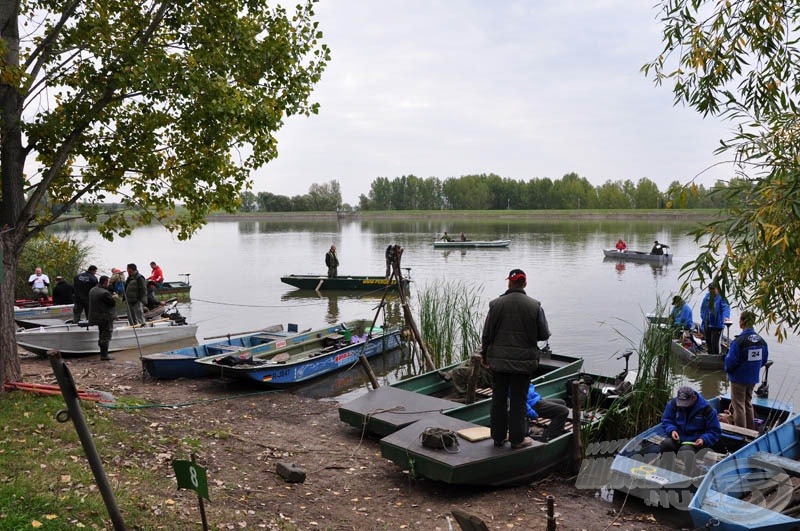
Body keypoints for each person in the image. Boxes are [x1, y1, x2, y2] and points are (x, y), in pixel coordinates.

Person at [480, 268, 551, 449]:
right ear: (525, 284)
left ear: (509, 283)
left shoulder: (495, 304)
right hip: (523, 364)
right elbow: (544, 334)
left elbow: (487, 334)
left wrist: (484, 355)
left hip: (499, 362)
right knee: (519, 401)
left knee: (499, 399)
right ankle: (517, 440)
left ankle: (498, 437)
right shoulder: (535, 306)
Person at [725, 311, 769, 430]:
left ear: (743, 322)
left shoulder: (739, 341)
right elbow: (764, 360)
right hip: (752, 378)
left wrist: (728, 370)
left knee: (738, 405)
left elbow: (730, 362)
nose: (739, 322)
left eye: (740, 320)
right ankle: (750, 429)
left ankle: (741, 432)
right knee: (748, 403)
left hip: (738, 379)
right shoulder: (761, 341)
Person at [659, 386, 721, 459]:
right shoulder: (673, 404)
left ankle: (690, 469)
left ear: (694, 398)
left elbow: (715, 431)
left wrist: (703, 439)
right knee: (666, 445)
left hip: (696, 442)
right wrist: (672, 430)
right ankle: (665, 465)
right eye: (681, 403)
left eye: (685, 403)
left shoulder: (707, 410)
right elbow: (666, 420)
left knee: (685, 451)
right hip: (678, 438)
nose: (683, 406)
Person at [88, 275, 118, 361]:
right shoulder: (104, 293)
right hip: (105, 317)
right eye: (108, 282)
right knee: (106, 335)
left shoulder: (92, 290)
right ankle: (104, 355)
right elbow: (112, 303)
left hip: (96, 317)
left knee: (101, 334)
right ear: (105, 282)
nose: (108, 284)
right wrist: (115, 298)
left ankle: (103, 353)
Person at [700, 282, 731, 355]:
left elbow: (725, 308)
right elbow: (703, 308)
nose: (712, 291)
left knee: (714, 343)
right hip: (707, 323)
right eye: (710, 289)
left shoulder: (722, 298)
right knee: (708, 341)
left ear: (717, 289)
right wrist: (703, 318)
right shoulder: (707, 297)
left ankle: (716, 357)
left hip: (717, 324)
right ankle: (710, 355)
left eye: (713, 289)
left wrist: (726, 317)